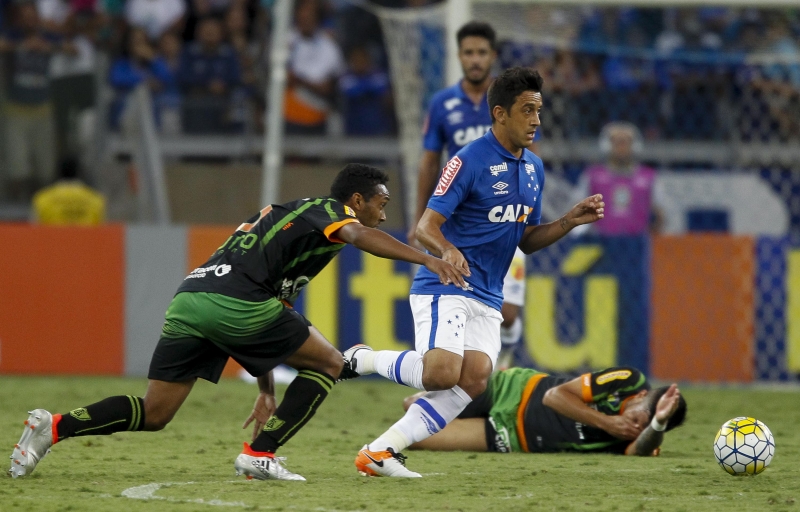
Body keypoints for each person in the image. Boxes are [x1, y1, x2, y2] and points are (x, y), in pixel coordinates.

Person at [8, 164, 466, 482]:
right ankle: (260, 455)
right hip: (234, 303)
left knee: (155, 413)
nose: (385, 212)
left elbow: (273, 310)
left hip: (192, 299)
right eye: (382, 203)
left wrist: (266, 390)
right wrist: (429, 259)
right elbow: (361, 235)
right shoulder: (332, 213)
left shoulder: (292, 224)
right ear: (357, 199)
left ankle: (51, 427)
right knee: (329, 363)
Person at [343, 67, 605, 477]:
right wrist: (447, 250)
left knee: (476, 379)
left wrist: (568, 221)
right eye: (527, 110)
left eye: (539, 110)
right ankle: (367, 358)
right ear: (500, 114)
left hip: (488, 293)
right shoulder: (468, 160)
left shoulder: (534, 168)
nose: (537, 120)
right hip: (445, 284)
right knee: (442, 373)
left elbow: (526, 239)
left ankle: (379, 452)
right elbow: (424, 228)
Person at [408, 21, 540, 368]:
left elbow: (525, 154)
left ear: (492, 56)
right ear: (460, 56)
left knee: (508, 313)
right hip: (463, 217)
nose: (475, 59)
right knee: (451, 299)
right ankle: (444, 371)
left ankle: (502, 353)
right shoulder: (442, 104)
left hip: (505, 215)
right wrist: (417, 218)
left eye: (482, 52)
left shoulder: (513, 101)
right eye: (469, 52)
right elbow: (430, 161)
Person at [401, 366, 686, 456]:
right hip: (514, 389)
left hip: (512, 436)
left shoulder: (648, 436)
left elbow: (639, 451)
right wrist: (608, 423)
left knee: (414, 437)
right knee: (413, 406)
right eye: (643, 412)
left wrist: (658, 422)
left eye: (649, 422)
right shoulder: (628, 380)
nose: (639, 422)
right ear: (642, 395)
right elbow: (554, 397)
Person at [576, 121, 662, 235]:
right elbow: (576, 209)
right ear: (607, 145)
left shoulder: (649, 177)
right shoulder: (592, 176)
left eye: (626, 142)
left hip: (636, 241)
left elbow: (663, 212)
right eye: (617, 142)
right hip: (602, 240)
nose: (622, 146)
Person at [32, 157, 105, 225]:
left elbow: (34, 232)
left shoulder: (42, 199)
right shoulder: (96, 199)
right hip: (86, 238)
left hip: (54, 238)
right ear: (79, 172)